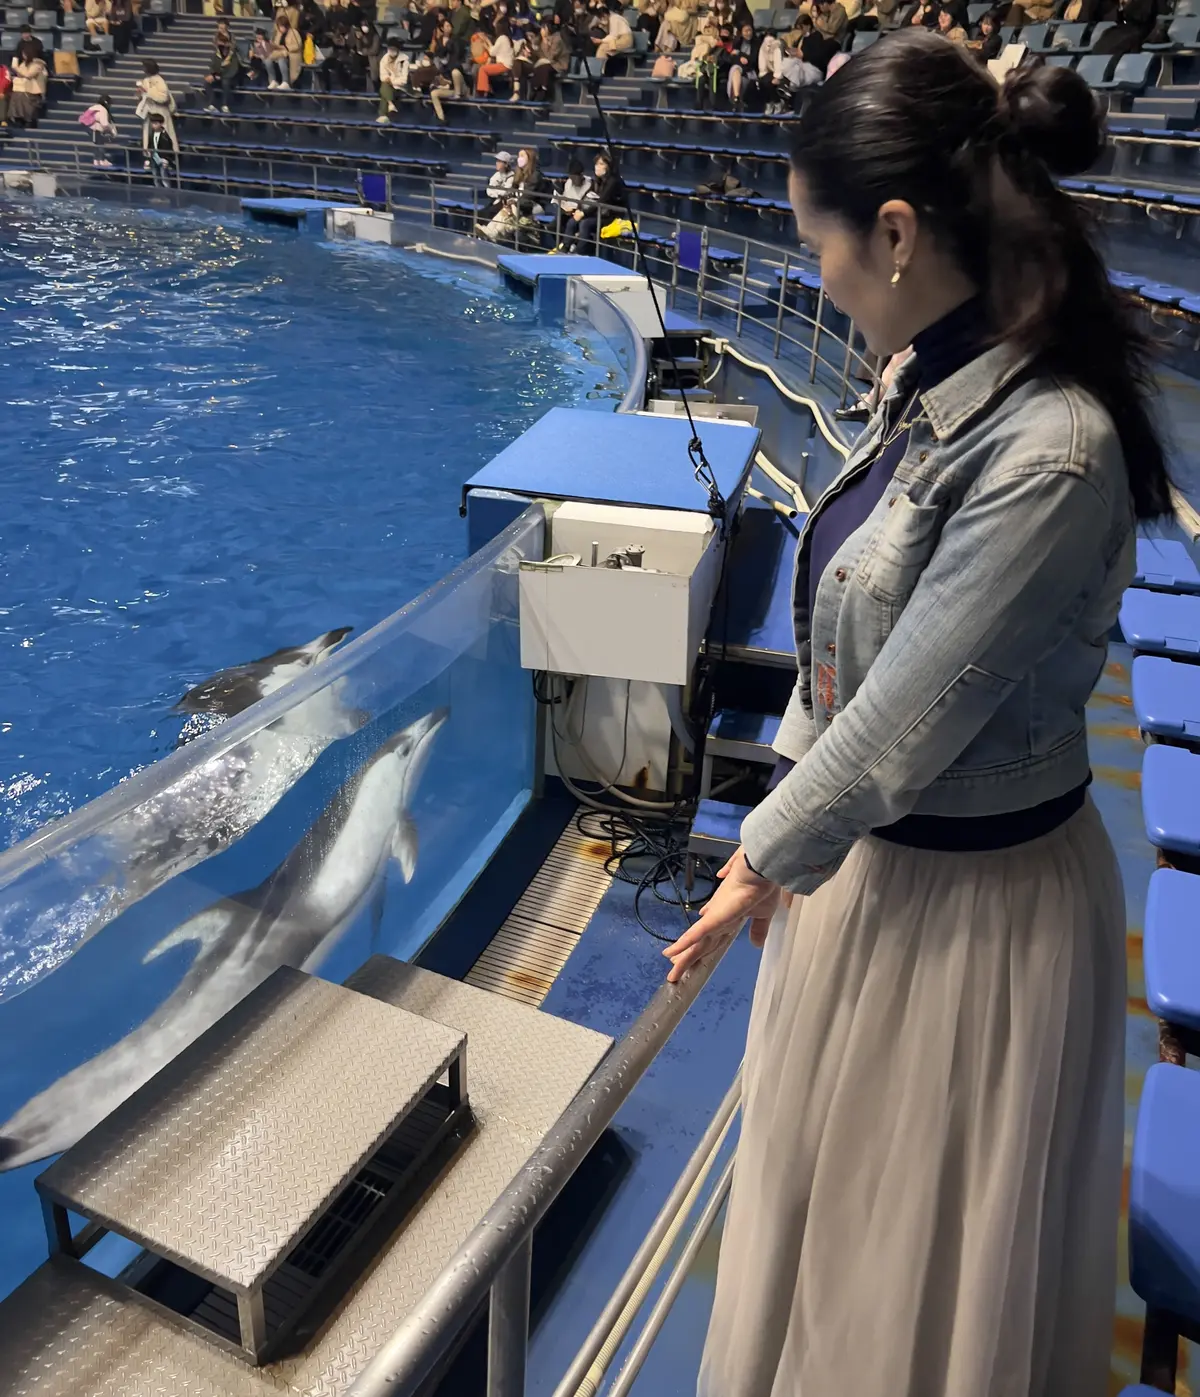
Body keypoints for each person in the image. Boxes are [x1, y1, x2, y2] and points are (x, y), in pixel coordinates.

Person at [674, 32, 1169, 1397]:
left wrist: (760, 857)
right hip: (860, 890)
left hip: (975, 922)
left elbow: (903, 721)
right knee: (833, 1254)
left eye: (816, 242)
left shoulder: (1051, 453)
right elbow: (840, 646)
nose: (812, 276)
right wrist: (772, 853)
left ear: (894, 234)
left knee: (906, 1282)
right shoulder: (928, 385)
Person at [560, 150, 626, 250]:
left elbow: (602, 202)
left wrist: (584, 213)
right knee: (572, 221)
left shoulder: (613, 181)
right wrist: (579, 209)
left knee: (585, 223)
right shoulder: (597, 180)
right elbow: (587, 197)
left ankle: (580, 252)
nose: (597, 167)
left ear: (608, 166)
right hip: (597, 212)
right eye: (596, 164)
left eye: (601, 164)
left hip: (610, 214)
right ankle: (565, 247)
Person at [136, 59, 176, 149]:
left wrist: (147, 92)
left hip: (160, 112)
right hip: (149, 112)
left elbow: (163, 97)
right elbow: (142, 97)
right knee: (149, 136)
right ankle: (149, 157)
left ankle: (167, 157)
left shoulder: (159, 81)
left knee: (164, 136)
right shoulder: (145, 80)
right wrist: (140, 93)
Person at [553, 155, 591, 241]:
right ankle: (561, 244)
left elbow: (587, 204)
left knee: (573, 223)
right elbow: (565, 199)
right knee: (553, 225)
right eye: (571, 177)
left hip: (581, 213)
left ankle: (568, 245)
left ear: (581, 175)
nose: (573, 180)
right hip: (567, 211)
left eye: (575, 177)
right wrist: (565, 208)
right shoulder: (568, 182)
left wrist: (575, 209)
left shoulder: (589, 184)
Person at [205, 24, 243, 110]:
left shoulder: (233, 56)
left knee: (225, 82)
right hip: (219, 76)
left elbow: (232, 71)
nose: (221, 45)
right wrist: (213, 75)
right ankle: (212, 104)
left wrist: (218, 74)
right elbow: (213, 66)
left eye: (223, 43)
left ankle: (225, 105)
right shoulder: (217, 54)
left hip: (231, 78)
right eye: (219, 42)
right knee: (207, 82)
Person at [528, 15, 568, 95]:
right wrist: (533, 45)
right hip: (545, 63)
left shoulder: (557, 39)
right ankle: (536, 88)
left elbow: (551, 57)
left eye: (543, 28)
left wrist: (545, 42)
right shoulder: (541, 39)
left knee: (544, 68)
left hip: (557, 64)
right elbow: (539, 55)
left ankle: (543, 89)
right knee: (539, 67)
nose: (541, 30)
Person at [9, 45, 46, 126]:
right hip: (24, 89)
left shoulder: (37, 65)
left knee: (24, 100)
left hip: (34, 92)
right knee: (16, 96)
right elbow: (20, 74)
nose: (23, 56)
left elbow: (28, 75)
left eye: (24, 54)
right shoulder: (24, 63)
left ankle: (28, 120)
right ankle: (18, 118)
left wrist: (15, 67)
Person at [475, 17, 513, 93]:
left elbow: (492, 52)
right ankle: (488, 90)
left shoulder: (502, 38)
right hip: (504, 64)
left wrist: (485, 43)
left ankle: (483, 91)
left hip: (504, 65)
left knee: (483, 69)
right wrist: (487, 41)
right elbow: (494, 50)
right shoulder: (505, 38)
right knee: (482, 67)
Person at [79, 90, 117, 162]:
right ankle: (100, 160)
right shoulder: (102, 110)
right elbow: (104, 123)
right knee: (99, 144)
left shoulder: (95, 107)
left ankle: (97, 160)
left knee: (97, 143)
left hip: (90, 127)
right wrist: (111, 129)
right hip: (95, 128)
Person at [376, 34, 408, 118]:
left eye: (393, 49)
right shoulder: (384, 59)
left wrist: (391, 80)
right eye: (389, 48)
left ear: (397, 49)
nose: (391, 50)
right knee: (385, 86)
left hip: (399, 87)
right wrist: (387, 80)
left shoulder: (404, 60)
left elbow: (404, 80)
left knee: (384, 90)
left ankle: (383, 115)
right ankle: (390, 106)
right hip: (388, 85)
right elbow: (382, 76)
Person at [268, 12, 301, 86]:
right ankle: (273, 80)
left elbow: (297, 45)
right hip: (280, 52)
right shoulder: (279, 34)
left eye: (281, 26)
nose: (280, 28)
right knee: (267, 59)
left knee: (281, 59)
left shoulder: (294, 32)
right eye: (279, 26)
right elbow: (276, 44)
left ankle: (285, 81)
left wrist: (285, 47)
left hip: (291, 54)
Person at [481, 148, 514, 219]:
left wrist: (496, 191)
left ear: (506, 164)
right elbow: (489, 190)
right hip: (494, 200)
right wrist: (497, 193)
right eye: (497, 161)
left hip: (505, 202)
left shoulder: (512, 177)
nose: (497, 163)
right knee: (481, 213)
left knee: (490, 213)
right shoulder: (496, 175)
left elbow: (505, 192)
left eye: (500, 161)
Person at [146, 110, 174, 186]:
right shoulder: (152, 134)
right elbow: (150, 145)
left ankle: (167, 194)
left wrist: (167, 159)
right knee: (156, 177)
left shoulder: (164, 135)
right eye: (152, 123)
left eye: (155, 123)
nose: (153, 125)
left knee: (164, 178)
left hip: (163, 159)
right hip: (154, 158)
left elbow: (168, 148)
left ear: (161, 124)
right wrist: (148, 157)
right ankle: (158, 193)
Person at [0, 60, 9, 127]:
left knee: (3, 98)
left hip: (1, 91)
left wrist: (1, 91)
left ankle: (3, 120)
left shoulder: (4, 68)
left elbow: (7, 79)